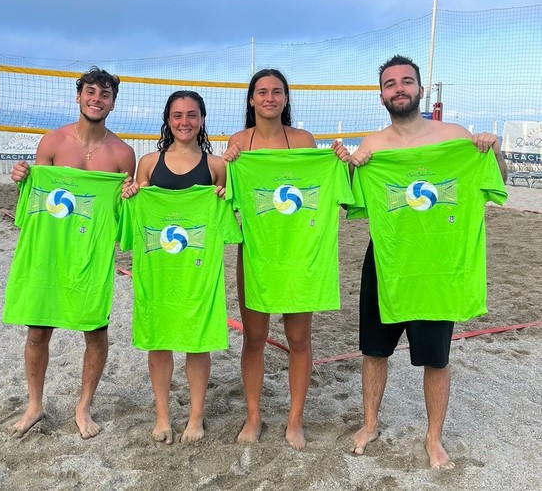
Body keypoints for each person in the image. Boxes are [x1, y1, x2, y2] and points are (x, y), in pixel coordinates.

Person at [348, 55, 507, 468]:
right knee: (374, 351)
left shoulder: (455, 137)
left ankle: (434, 439)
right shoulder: (373, 147)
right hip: (387, 261)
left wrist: (494, 149)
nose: (398, 89)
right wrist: (351, 168)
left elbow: (496, 183)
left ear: (421, 89)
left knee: (437, 358)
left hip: (439, 266)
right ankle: (370, 423)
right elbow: (351, 202)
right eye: (390, 84)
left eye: (406, 82)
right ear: (381, 94)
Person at [223, 68, 351, 450]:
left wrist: (340, 160)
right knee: (255, 339)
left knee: (298, 340)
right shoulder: (238, 144)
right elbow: (223, 196)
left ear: (286, 99)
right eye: (262, 92)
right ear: (251, 99)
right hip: (258, 253)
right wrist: (227, 163)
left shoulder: (302, 140)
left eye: (277, 91)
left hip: (299, 254)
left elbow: (327, 186)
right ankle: (254, 416)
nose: (269, 98)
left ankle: (295, 420)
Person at [6, 66, 136, 439]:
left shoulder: (122, 154)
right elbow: (33, 204)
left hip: (91, 255)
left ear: (113, 102)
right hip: (48, 251)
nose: (97, 99)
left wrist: (128, 196)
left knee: (95, 331)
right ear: (78, 96)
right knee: (37, 330)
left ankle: (83, 408)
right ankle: (35, 405)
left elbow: (124, 213)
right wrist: (21, 180)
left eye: (105, 94)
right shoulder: (52, 143)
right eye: (91, 92)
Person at [121, 90, 240, 444]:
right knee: (159, 342)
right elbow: (132, 216)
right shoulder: (147, 163)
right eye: (177, 115)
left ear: (202, 119)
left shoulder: (217, 166)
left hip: (198, 273)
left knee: (196, 342)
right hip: (158, 271)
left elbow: (232, 221)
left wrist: (225, 199)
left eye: (191, 115)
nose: (184, 122)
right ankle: (162, 416)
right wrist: (129, 196)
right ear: (167, 120)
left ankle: (196, 417)